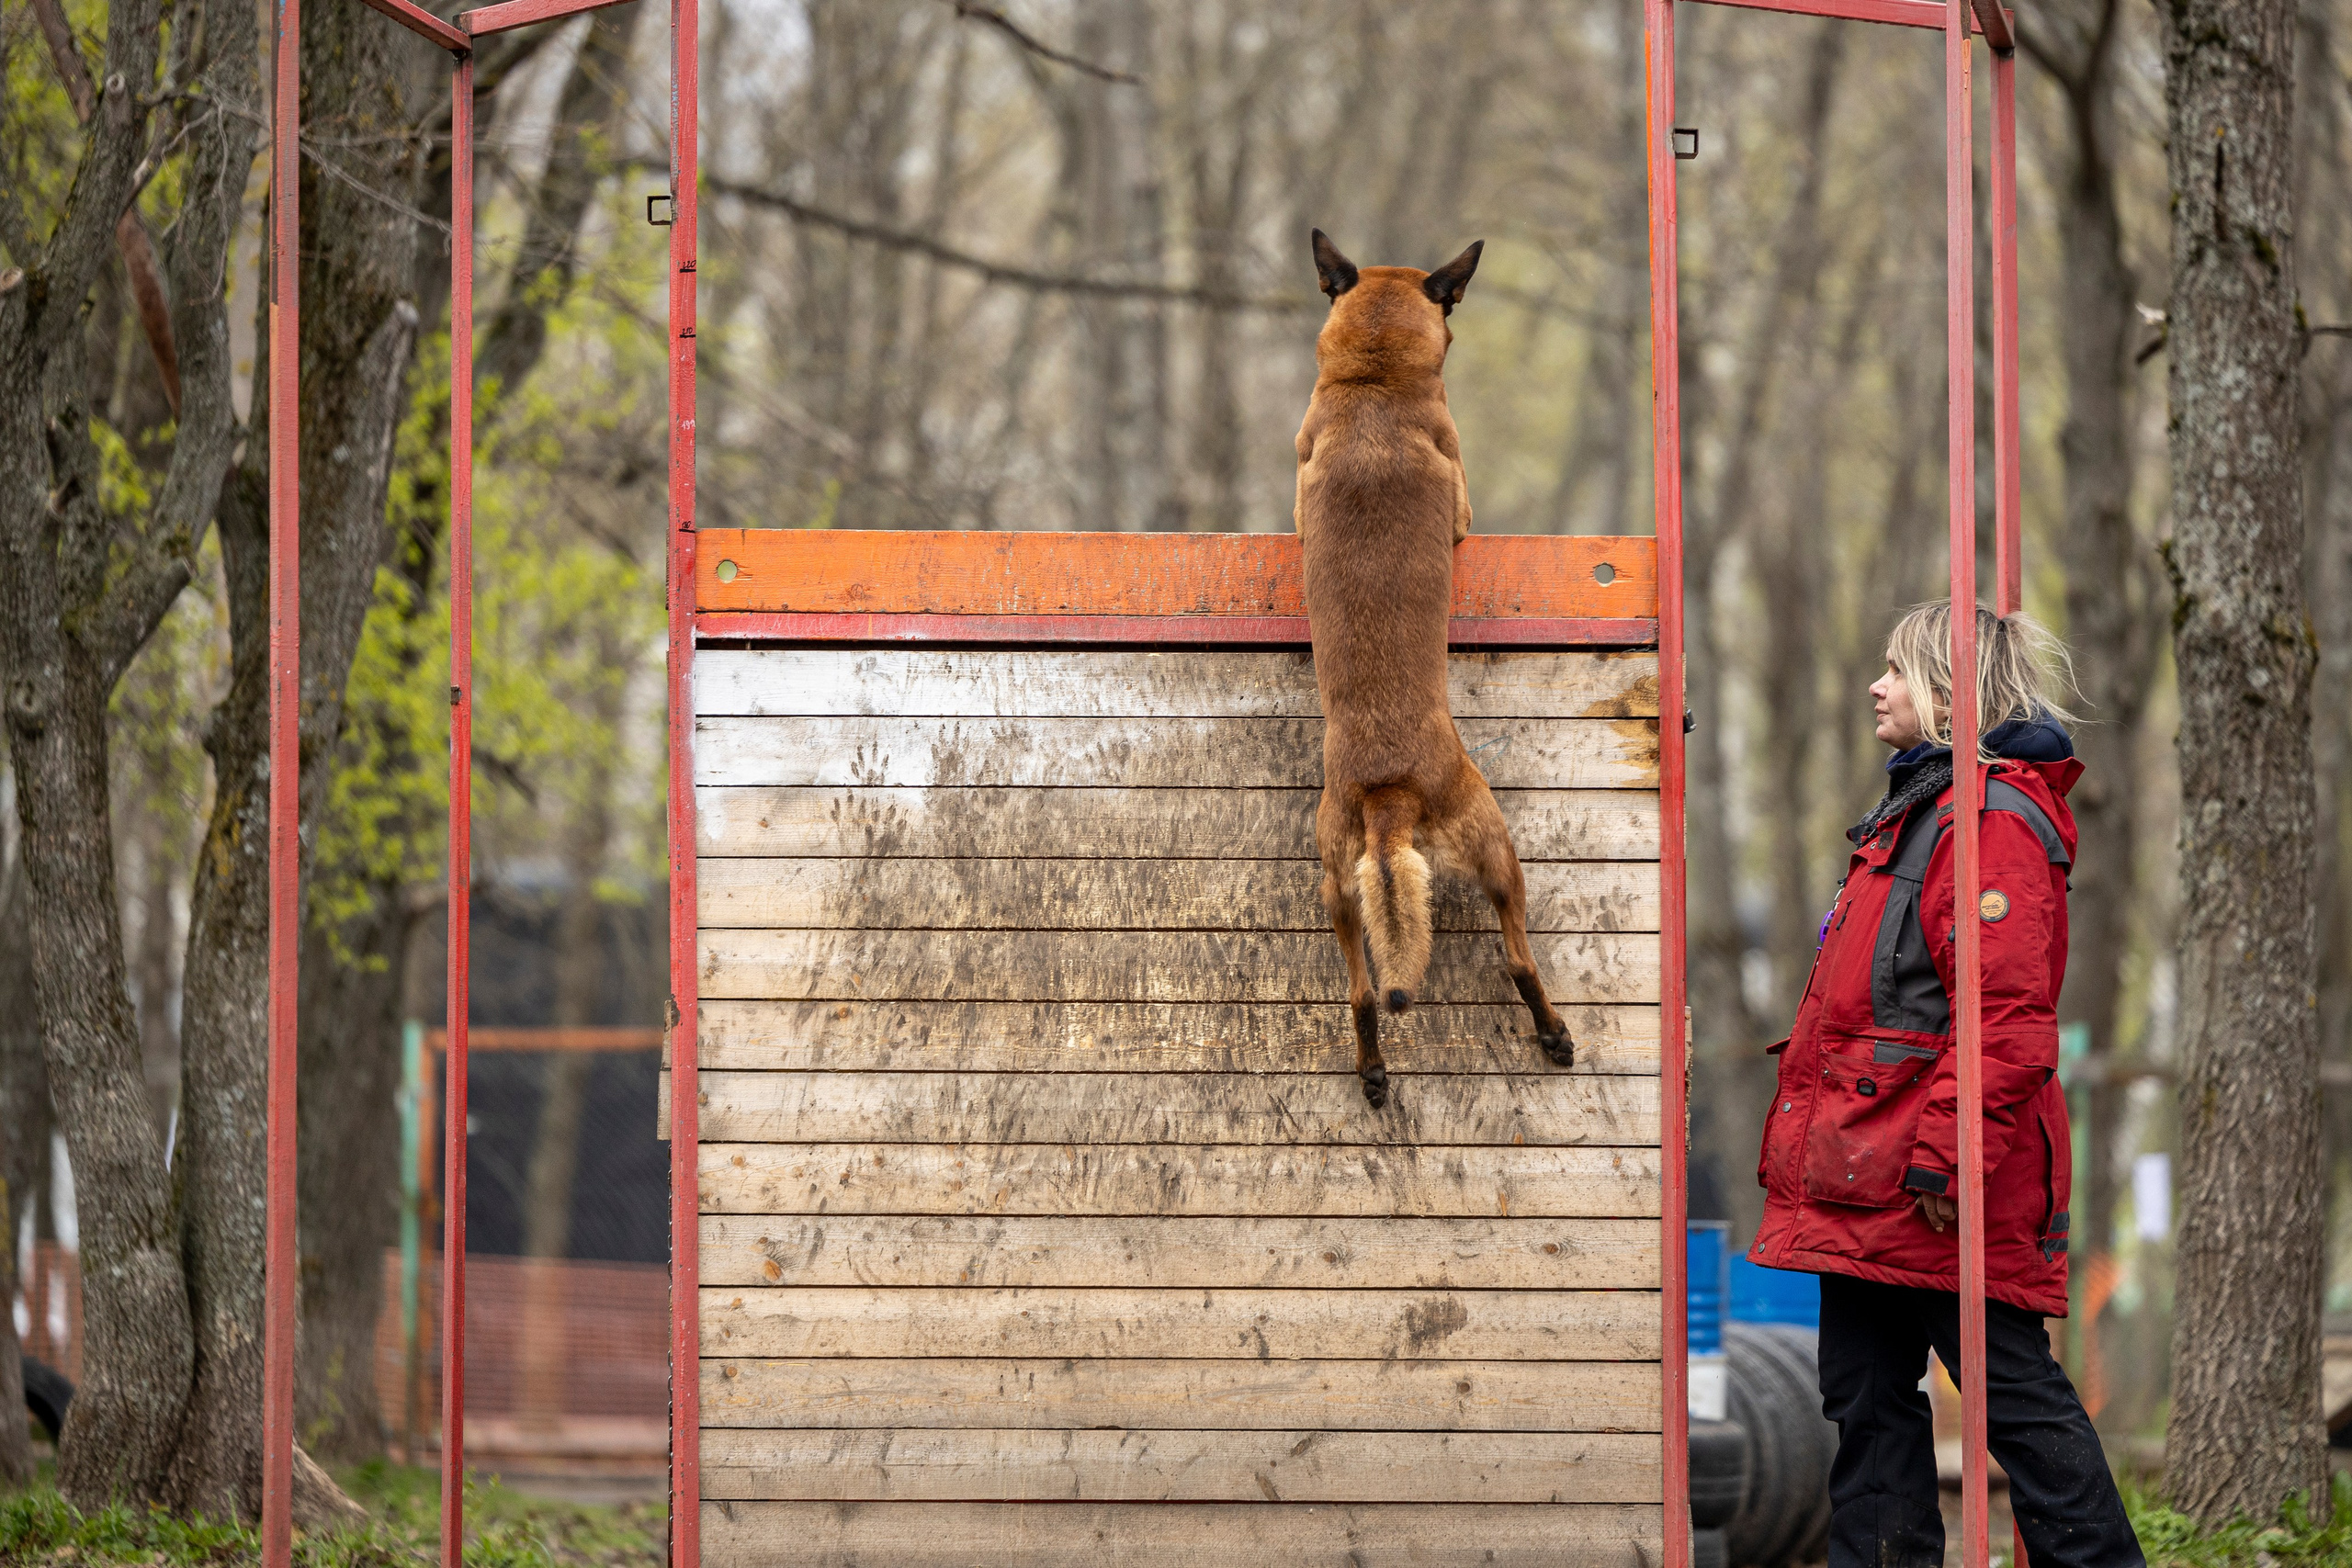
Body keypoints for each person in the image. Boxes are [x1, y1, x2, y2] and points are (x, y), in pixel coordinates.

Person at [1747, 601, 2145, 1568]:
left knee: (2013, 1401)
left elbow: (2004, 1015)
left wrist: (1946, 1161)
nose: (1875, 686)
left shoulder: (1989, 820)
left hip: (1933, 1180)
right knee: (1864, 1400)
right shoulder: (1922, 809)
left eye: (1896, 669)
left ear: (1946, 689)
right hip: (1869, 1174)